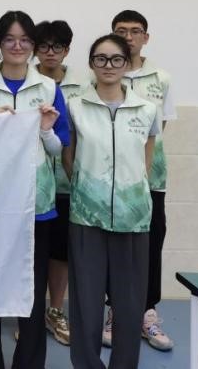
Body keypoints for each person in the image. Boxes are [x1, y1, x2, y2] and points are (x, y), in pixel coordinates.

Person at [0, 10, 69, 369]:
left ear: (33, 46)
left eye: (25, 40)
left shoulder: (49, 88)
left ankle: (30, 362)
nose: (17, 46)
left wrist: (45, 129)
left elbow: (58, 148)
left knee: (32, 290)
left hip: (37, 204)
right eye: (9, 39)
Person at [63, 34, 158, 369]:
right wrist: (88, 191)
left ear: (126, 63)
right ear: (91, 63)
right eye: (100, 59)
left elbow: (146, 163)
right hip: (86, 217)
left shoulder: (147, 109)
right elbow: (69, 158)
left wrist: (130, 196)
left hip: (134, 219)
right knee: (86, 303)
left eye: (116, 59)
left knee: (130, 304)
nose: (108, 66)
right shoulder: (75, 106)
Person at [110, 10, 176, 351]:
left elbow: (159, 129)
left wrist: (144, 165)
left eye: (135, 31)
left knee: (150, 245)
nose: (129, 37)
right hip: (111, 181)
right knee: (114, 247)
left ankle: (147, 312)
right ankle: (114, 312)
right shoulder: (104, 74)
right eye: (121, 31)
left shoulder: (161, 78)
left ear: (145, 37)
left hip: (151, 181)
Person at [33, 20, 89, 347]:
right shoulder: (28, 84)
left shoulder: (83, 88)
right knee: (34, 252)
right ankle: (30, 314)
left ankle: (54, 310)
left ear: (67, 50)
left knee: (60, 253)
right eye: (44, 46)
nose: (50, 52)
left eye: (57, 46)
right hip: (34, 187)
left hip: (68, 184)